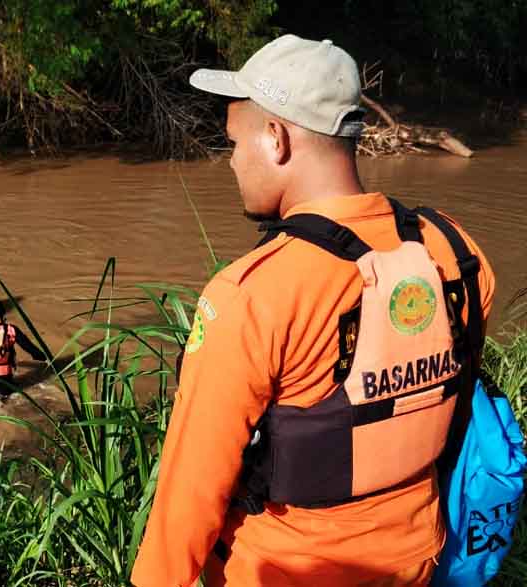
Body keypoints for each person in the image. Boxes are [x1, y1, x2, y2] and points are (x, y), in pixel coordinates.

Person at [131, 35, 495, 587]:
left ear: (276, 139)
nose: (231, 161)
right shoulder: (456, 252)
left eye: (234, 142)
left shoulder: (251, 295)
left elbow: (190, 493)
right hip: (418, 563)